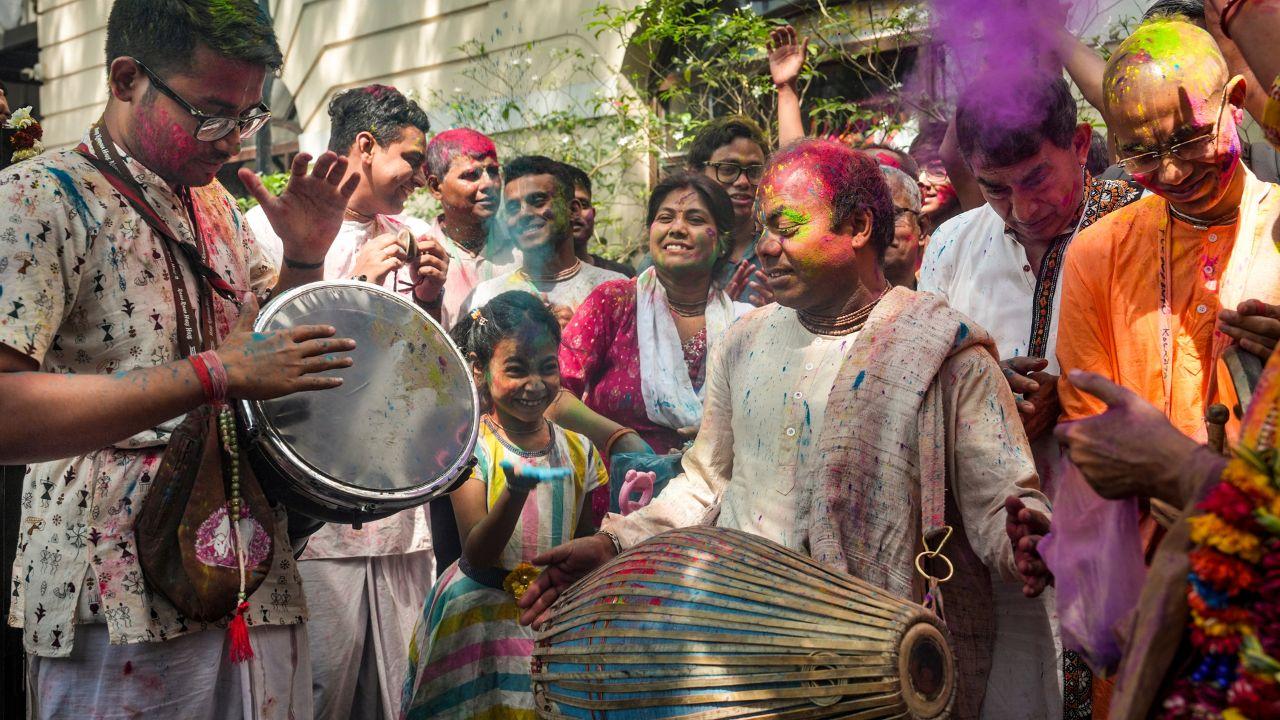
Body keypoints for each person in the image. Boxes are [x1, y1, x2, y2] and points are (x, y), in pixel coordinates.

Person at [519, 139, 1056, 720]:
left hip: (884, 667)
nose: (766, 248)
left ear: (856, 225)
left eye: (787, 226)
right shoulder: (745, 341)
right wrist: (613, 543)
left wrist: (1025, 541)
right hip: (748, 653)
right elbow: (706, 482)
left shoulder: (946, 349)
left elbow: (1000, 503)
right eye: (762, 229)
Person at [0, 1, 361, 716]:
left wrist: (306, 259)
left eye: (249, 117)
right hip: (113, 602)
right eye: (211, 113)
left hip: (253, 576)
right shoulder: (38, 196)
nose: (230, 142)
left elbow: (265, 360)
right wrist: (210, 375)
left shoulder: (217, 209)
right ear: (127, 79)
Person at [249, 83, 448, 720]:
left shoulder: (419, 235)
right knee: (315, 693)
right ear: (364, 147)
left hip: (400, 511)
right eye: (412, 159)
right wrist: (351, 285)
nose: (423, 175)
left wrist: (433, 305)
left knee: (406, 695)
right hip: (313, 517)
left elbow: (440, 378)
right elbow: (257, 361)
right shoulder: (270, 226)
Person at [1057, 17, 1280, 446]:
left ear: (1235, 102)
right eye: (1142, 154)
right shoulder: (1097, 253)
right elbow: (1088, 421)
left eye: (1191, 139)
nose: (1173, 172)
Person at [400, 291, 607, 718]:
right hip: (477, 623)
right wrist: (514, 494)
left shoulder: (579, 449)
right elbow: (476, 552)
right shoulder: (470, 445)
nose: (535, 384)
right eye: (516, 369)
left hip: (546, 618)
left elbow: (582, 545)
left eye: (548, 367)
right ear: (479, 369)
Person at [559, 172, 747, 455]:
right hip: (617, 488)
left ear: (722, 243)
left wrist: (721, 435)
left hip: (713, 490)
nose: (677, 228)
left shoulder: (743, 325)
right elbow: (554, 393)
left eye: (695, 220)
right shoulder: (614, 303)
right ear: (650, 231)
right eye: (665, 217)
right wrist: (617, 436)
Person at [466, 156, 625, 324]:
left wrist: (580, 334)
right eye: (513, 207)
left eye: (538, 201)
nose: (524, 213)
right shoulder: (486, 299)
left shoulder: (615, 291)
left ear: (572, 210)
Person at [421, 127, 522, 329]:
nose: (489, 184)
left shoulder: (524, 247)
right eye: (471, 174)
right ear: (435, 187)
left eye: (493, 172)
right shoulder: (422, 256)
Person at [684, 116, 772, 305]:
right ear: (694, 174)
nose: (743, 182)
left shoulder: (780, 250)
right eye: (727, 169)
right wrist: (715, 319)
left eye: (754, 171)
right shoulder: (672, 253)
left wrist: (789, 312)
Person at [562, 163, 635, 278]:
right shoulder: (531, 282)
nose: (576, 213)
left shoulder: (621, 276)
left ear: (593, 213)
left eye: (583, 204)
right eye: (568, 205)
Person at [879, 165, 926, 289]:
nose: (875, 228)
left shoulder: (948, 299)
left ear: (922, 227)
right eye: (860, 220)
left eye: (892, 215)